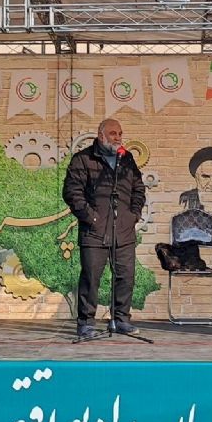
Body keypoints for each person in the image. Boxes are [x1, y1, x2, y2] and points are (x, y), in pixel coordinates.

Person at [62, 118, 146, 339]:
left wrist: (133, 215)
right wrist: (92, 218)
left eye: (120, 133)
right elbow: (72, 192)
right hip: (94, 231)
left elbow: (138, 189)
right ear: (101, 136)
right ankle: (86, 323)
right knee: (91, 278)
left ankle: (121, 319)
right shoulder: (83, 159)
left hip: (124, 230)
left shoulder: (126, 159)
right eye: (113, 134)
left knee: (126, 277)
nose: (118, 137)